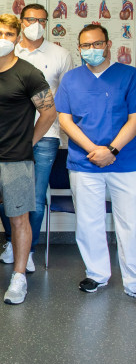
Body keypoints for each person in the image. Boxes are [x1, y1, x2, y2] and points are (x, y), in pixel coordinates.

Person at [0, 14, 56, 305]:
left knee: (19, 219)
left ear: (17, 38)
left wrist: (28, 142)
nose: (2, 38)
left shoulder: (28, 73)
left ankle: (18, 276)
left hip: (17, 161)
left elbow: (49, 113)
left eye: (8, 34)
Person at [55, 24, 136, 298]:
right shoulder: (70, 79)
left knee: (131, 222)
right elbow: (64, 119)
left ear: (109, 44)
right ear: (78, 48)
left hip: (126, 161)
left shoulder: (129, 76)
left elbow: (134, 119)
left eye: (97, 44)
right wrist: (94, 150)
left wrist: (111, 150)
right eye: (86, 46)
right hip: (84, 161)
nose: (92, 50)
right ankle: (96, 274)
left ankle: (133, 280)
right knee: (89, 221)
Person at [0, 4, 74, 272]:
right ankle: (12, 241)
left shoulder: (60, 55)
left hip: (45, 136)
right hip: (8, 137)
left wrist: (35, 137)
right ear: (21, 22)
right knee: (5, 195)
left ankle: (27, 250)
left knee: (35, 197)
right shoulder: (7, 48)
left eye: (42, 19)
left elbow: (64, 98)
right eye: (30, 19)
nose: (36, 23)